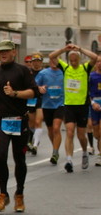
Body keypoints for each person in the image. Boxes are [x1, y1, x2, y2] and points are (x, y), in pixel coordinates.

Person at [0, 41, 36, 211]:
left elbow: (33, 92)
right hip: (0, 119)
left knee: (19, 159)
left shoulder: (22, 70)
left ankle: (19, 194)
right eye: (0, 52)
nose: (2, 54)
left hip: (20, 119)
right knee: (1, 155)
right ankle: (3, 194)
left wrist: (15, 94)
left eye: (6, 51)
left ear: (13, 52)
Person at [49, 43, 98, 172]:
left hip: (82, 105)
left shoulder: (85, 68)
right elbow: (51, 56)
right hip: (69, 105)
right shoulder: (66, 68)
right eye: (71, 60)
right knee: (69, 132)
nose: (74, 62)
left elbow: (95, 57)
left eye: (76, 60)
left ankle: (84, 152)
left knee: (81, 135)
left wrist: (80, 49)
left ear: (79, 59)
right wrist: (64, 49)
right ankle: (69, 160)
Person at [34, 52, 66, 165]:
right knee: (51, 130)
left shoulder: (64, 72)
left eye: (56, 60)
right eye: (52, 60)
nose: (53, 62)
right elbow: (34, 86)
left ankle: (55, 152)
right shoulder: (43, 73)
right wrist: (40, 88)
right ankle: (55, 148)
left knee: (57, 128)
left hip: (60, 104)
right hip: (47, 105)